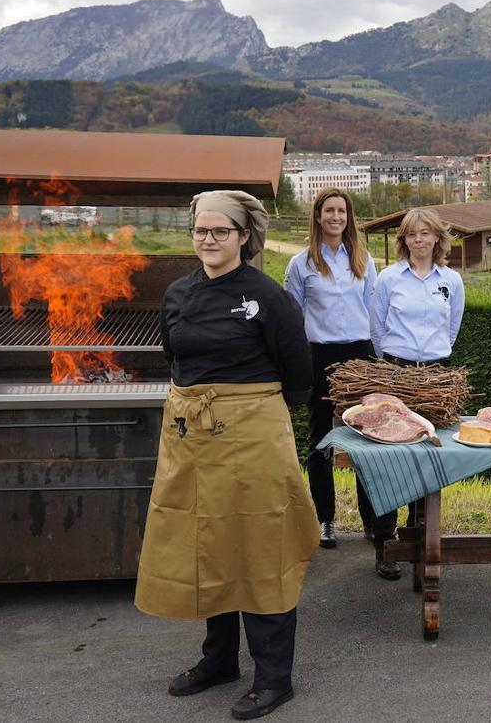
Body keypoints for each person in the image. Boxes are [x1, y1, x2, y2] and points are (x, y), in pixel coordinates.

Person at [135, 190, 317, 720]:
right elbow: (175, 355)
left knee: (262, 548)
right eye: (200, 231)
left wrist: (246, 416)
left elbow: (298, 375)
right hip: (192, 435)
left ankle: (274, 676)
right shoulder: (176, 294)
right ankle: (219, 660)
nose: (208, 240)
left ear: (243, 236)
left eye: (220, 231)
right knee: (205, 544)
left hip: (254, 436)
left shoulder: (267, 296)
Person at [368, 207, 465, 579]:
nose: (419, 240)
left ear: (438, 238)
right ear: (403, 240)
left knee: (428, 457)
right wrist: (395, 366)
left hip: (436, 376)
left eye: (426, 233)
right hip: (396, 372)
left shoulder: (452, 281)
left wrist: (432, 361)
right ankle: (384, 542)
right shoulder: (389, 278)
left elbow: (452, 328)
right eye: (412, 234)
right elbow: (376, 329)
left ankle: (419, 535)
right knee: (390, 459)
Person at [284, 187, 379, 553]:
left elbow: (374, 313)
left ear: (348, 217)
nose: (336, 217)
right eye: (329, 211)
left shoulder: (363, 260)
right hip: (319, 357)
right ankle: (326, 520)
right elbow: (292, 321)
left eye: (341, 211)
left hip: (360, 357)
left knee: (368, 441)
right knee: (321, 440)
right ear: (318, 217)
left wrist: (379, 361)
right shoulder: (301, 264)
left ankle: (372, 520)